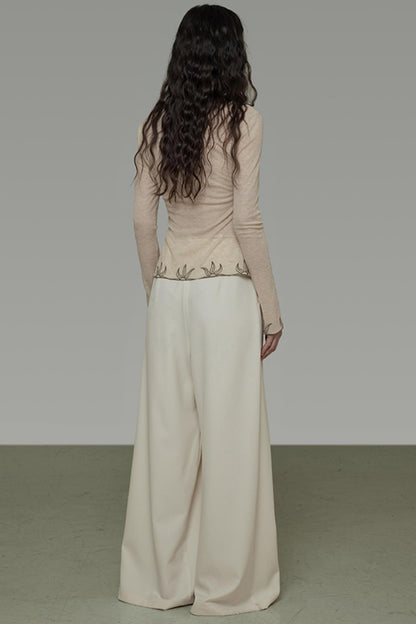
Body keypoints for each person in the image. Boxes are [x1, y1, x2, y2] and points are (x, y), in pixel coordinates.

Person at [118, 4, 284, 617]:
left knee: (167, 440)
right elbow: (246, 219)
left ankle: (158, 585)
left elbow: (143, 221)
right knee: (231, 439)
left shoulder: (158, 124)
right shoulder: (245, 123)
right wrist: (272, 309)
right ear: (232, 57)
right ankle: (226, 588)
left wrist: (155, 288)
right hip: (225, 296)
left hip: (171, 294)